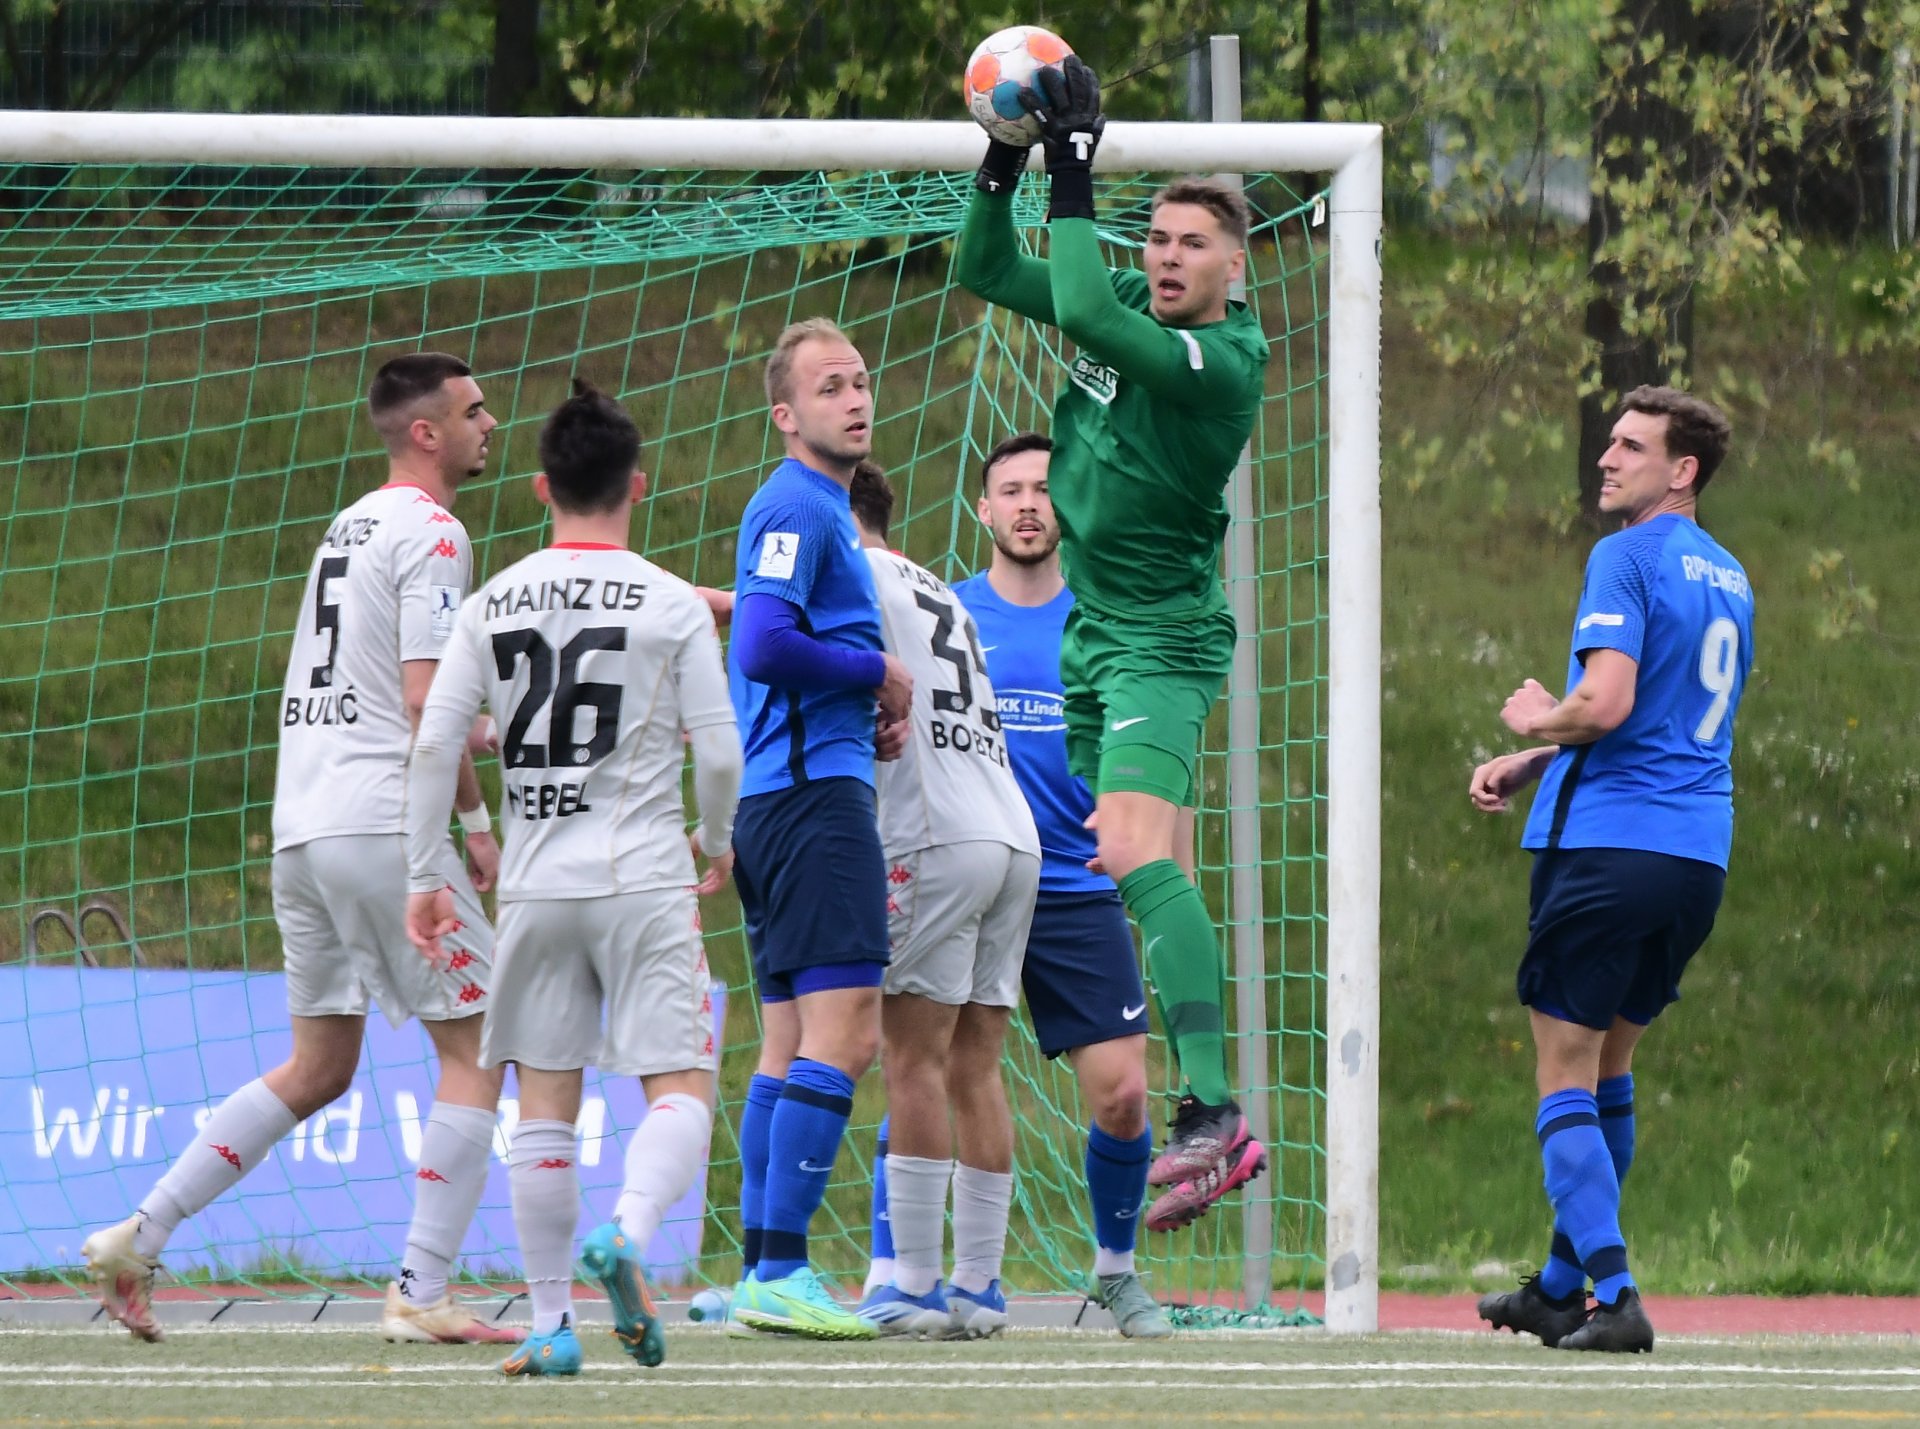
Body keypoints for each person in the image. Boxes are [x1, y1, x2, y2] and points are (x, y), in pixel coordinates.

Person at [83, 352, 517, 1347]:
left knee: (319, 1064)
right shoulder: (437, 531)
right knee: (484, 1040)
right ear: (426, 431)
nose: (490, 423)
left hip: (303, 827)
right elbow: (424, 702)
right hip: (374, 824)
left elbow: (405, 693)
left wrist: (474, 779)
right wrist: (483, 792)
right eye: (474, 410)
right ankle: (421, 1286)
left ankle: (137, 1234)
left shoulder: (348, 525)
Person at [956, 58, 1272, 1229]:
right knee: (1136, 861)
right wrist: (1004, 155)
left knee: (1137, 853)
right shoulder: (1129, 310)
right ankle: (1209, 1112)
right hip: (1098, 633)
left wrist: (1072, 164)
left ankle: (1217, 1112)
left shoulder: (1223, 363)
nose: (1169, 255)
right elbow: (983, 268)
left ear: (1236, 264)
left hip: (1161, 642)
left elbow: (1082, 307)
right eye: (1159, 239)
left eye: (1194, 242)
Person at [403, 380, 741, 1376]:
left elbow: (433, 745)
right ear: (636, 484)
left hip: (536, 885)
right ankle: (629, 1232)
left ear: (544, 486)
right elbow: (717, 752)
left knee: (544, 1104)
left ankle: (553, 1323)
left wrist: (430, 868)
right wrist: (714, 835)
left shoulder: (491, 599)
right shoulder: (673, 602)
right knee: (680, 1083)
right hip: (640, 875)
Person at [1471, 387, 1752, 1355]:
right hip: (1693, 858)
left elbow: (1607, 700)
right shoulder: (1730, 575)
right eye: (1608, 442)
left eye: (1631, 446)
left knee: (1561, 1071)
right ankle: (1558, 1287)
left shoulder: (1622, 556)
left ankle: (1615, 1291)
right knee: (1610, 1068)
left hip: (1608, 849)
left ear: (1684, 471)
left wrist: (1538, 719)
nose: (1606, 457)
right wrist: (1538, 763)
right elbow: (1661, 716)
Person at [725, 318, 912, 1341]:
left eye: (861, 380)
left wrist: (863, 697)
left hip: (784, 795)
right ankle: (783, 1268)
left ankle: (761, 1266)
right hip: (810, 803)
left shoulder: (825, 508)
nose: (855, 397)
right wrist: (874, 673)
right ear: (787, 415)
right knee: (848, 1033)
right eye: (829, 386)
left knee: (790, 1039)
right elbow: (761, 642)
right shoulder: (796, 500)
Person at [840, 461, 1041, 1340]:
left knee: (910, 1055)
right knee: (975, 1062)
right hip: (1013, 832)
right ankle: (979, 1286)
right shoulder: (940, 588)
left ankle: (914, 1282)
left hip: (936, 831)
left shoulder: (852, 572)